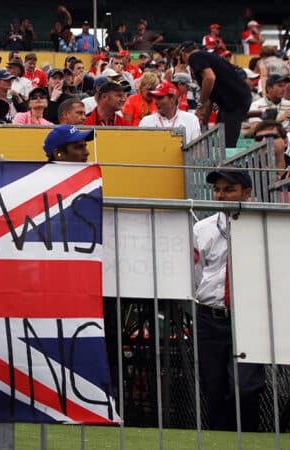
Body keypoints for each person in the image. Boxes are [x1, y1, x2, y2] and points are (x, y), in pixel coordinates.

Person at [194, 169, 265, 432]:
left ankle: (248, 438)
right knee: (214, 388)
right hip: (210, 316)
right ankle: (218, 440)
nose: (221, 195)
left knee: (245, 386)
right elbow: (196, 274)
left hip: (249, 316)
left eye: (229, 189)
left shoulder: (263, 223)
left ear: (246, 193)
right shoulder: (202, 229)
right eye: (217, 190)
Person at [180, 42, 252, 148]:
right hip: (232, 100)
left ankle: (226, 162)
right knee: (220, 135)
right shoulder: (211, 57)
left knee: (226, 143)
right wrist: (203, 121)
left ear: (184, 55)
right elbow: (210, 97)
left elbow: (209, 78)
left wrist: (200, 105)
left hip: (234, 101)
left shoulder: (195, 56)